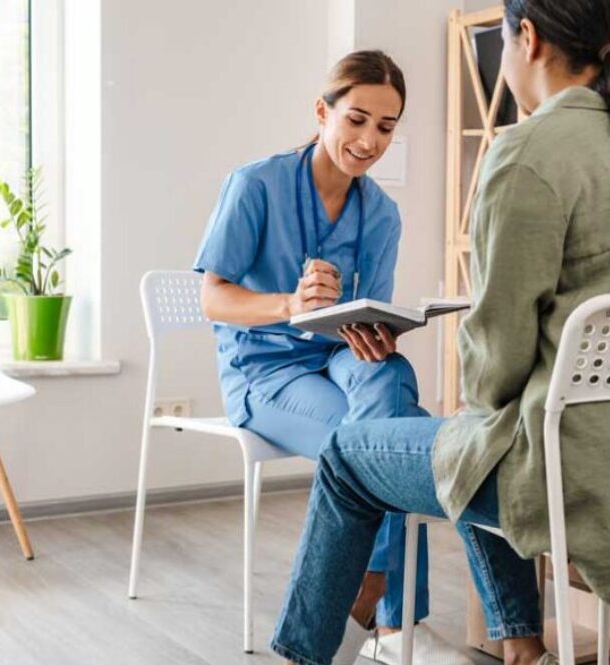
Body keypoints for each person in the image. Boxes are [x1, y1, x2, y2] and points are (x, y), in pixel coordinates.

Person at [269, 1, 610, 664]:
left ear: (525, 37)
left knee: (355, 454)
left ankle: (300, 656)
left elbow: (493, 372)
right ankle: (521, 645)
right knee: (479, 434)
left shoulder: (526, 151)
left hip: (580, 471)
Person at [194, 50, 470, 664]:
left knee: (391, 378)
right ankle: (387, 620)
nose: (369, 139)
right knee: (396, 443)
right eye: (357, 119)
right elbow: (212, 299)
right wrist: (288, 304)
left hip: (338, 362)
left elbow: (365, 314)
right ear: (323, 111)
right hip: (264, 373)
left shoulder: (383, 214)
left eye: (386, 126)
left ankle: (371, 613)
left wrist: (375, 334)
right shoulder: (255, 185)